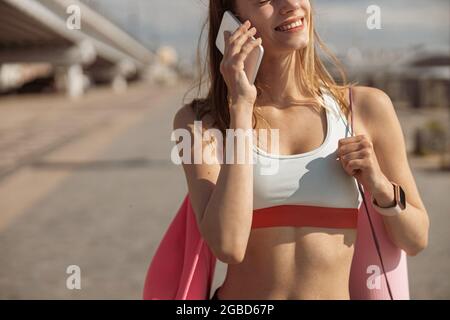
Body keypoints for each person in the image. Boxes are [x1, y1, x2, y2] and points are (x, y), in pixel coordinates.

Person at [172, 0, 429, 300]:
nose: (291, 4)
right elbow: (228, 245)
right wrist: (240, 107)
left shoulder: (364, 109)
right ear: (233, 20)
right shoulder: (199, 123)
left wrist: (380, 187)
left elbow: (416, 239)